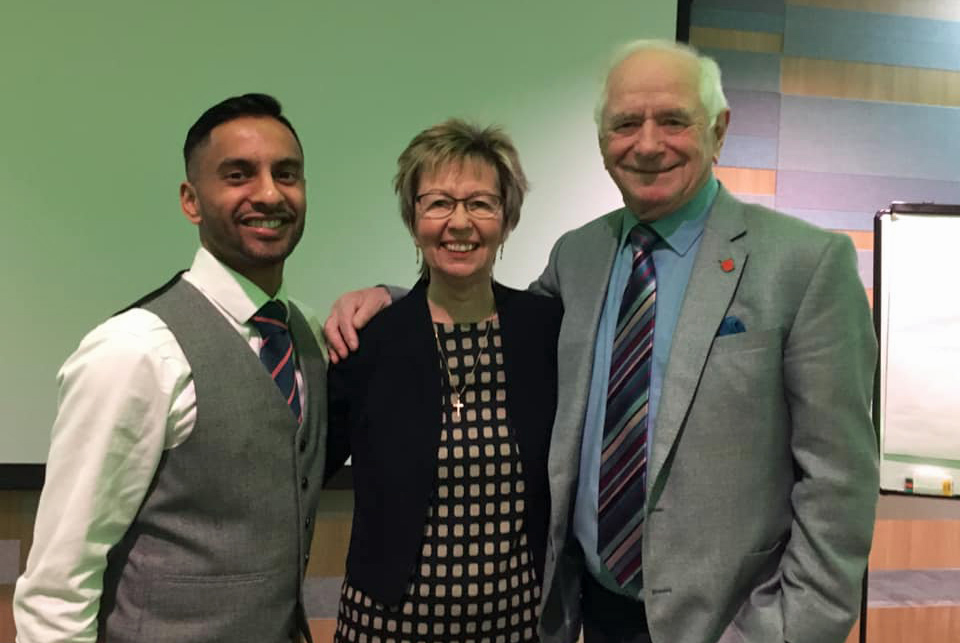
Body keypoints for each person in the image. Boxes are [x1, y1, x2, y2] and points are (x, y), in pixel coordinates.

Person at [324, 40, 878, 643]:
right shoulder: (580, 257)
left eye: (672, 120)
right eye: (625, 124)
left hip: (730, 624)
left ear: (718, 131)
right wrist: (389, 297)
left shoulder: (804, 264)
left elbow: (838, 482)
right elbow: (474, 304)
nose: (646, 144)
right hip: (584, 613)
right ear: (603, 144)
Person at [14, 93, 327, 643]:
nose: (270, 193)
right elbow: (59, 583)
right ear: (191, 200)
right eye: (238, 174)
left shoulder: (305, 335)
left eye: (287, 174)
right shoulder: (135, 351)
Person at [325, 119, 562, 643]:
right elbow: (309, 469)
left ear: (507, 218)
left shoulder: (545, 333)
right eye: (438, 203)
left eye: (481, 203)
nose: (460, 223)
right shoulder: (367, 341)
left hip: (515, 623)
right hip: (385, 623)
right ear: (413, 220)